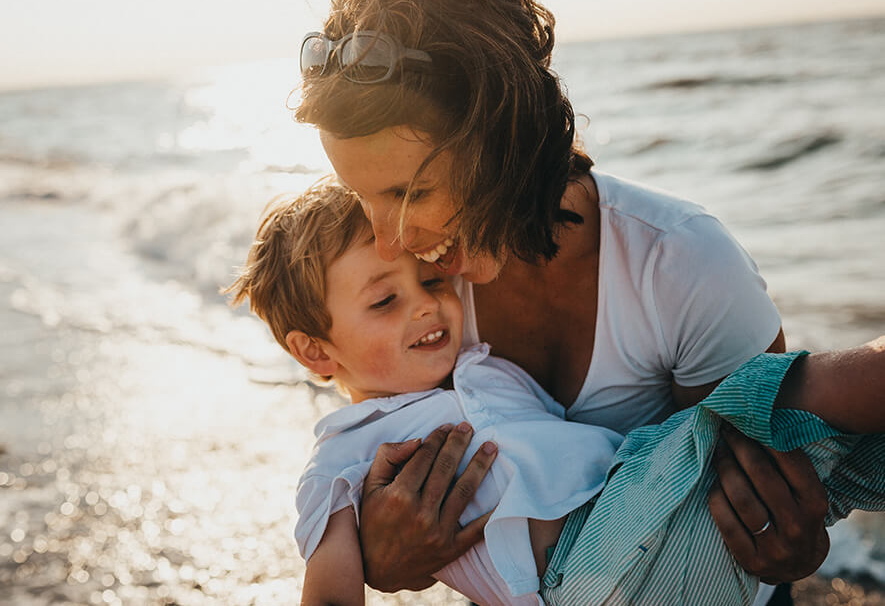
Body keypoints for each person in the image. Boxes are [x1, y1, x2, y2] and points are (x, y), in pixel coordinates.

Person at [293, 0, 830, 603]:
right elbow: (383, 478)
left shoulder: (681, 263)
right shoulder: (412, 296)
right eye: (361, 197)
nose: (386, 239)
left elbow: (763, 494)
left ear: (505, 140)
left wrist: (791, 544)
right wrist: (385, 558)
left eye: (412, 193)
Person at [225, 182, 885, 606]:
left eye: (429, 282)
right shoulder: (343, 456)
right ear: (315, 350)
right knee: (802, 393)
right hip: (585, 572)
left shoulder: (484, 368)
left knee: (848, 451)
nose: (426, 307)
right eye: (384, 300)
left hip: (655, 519)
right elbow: (332, 592)